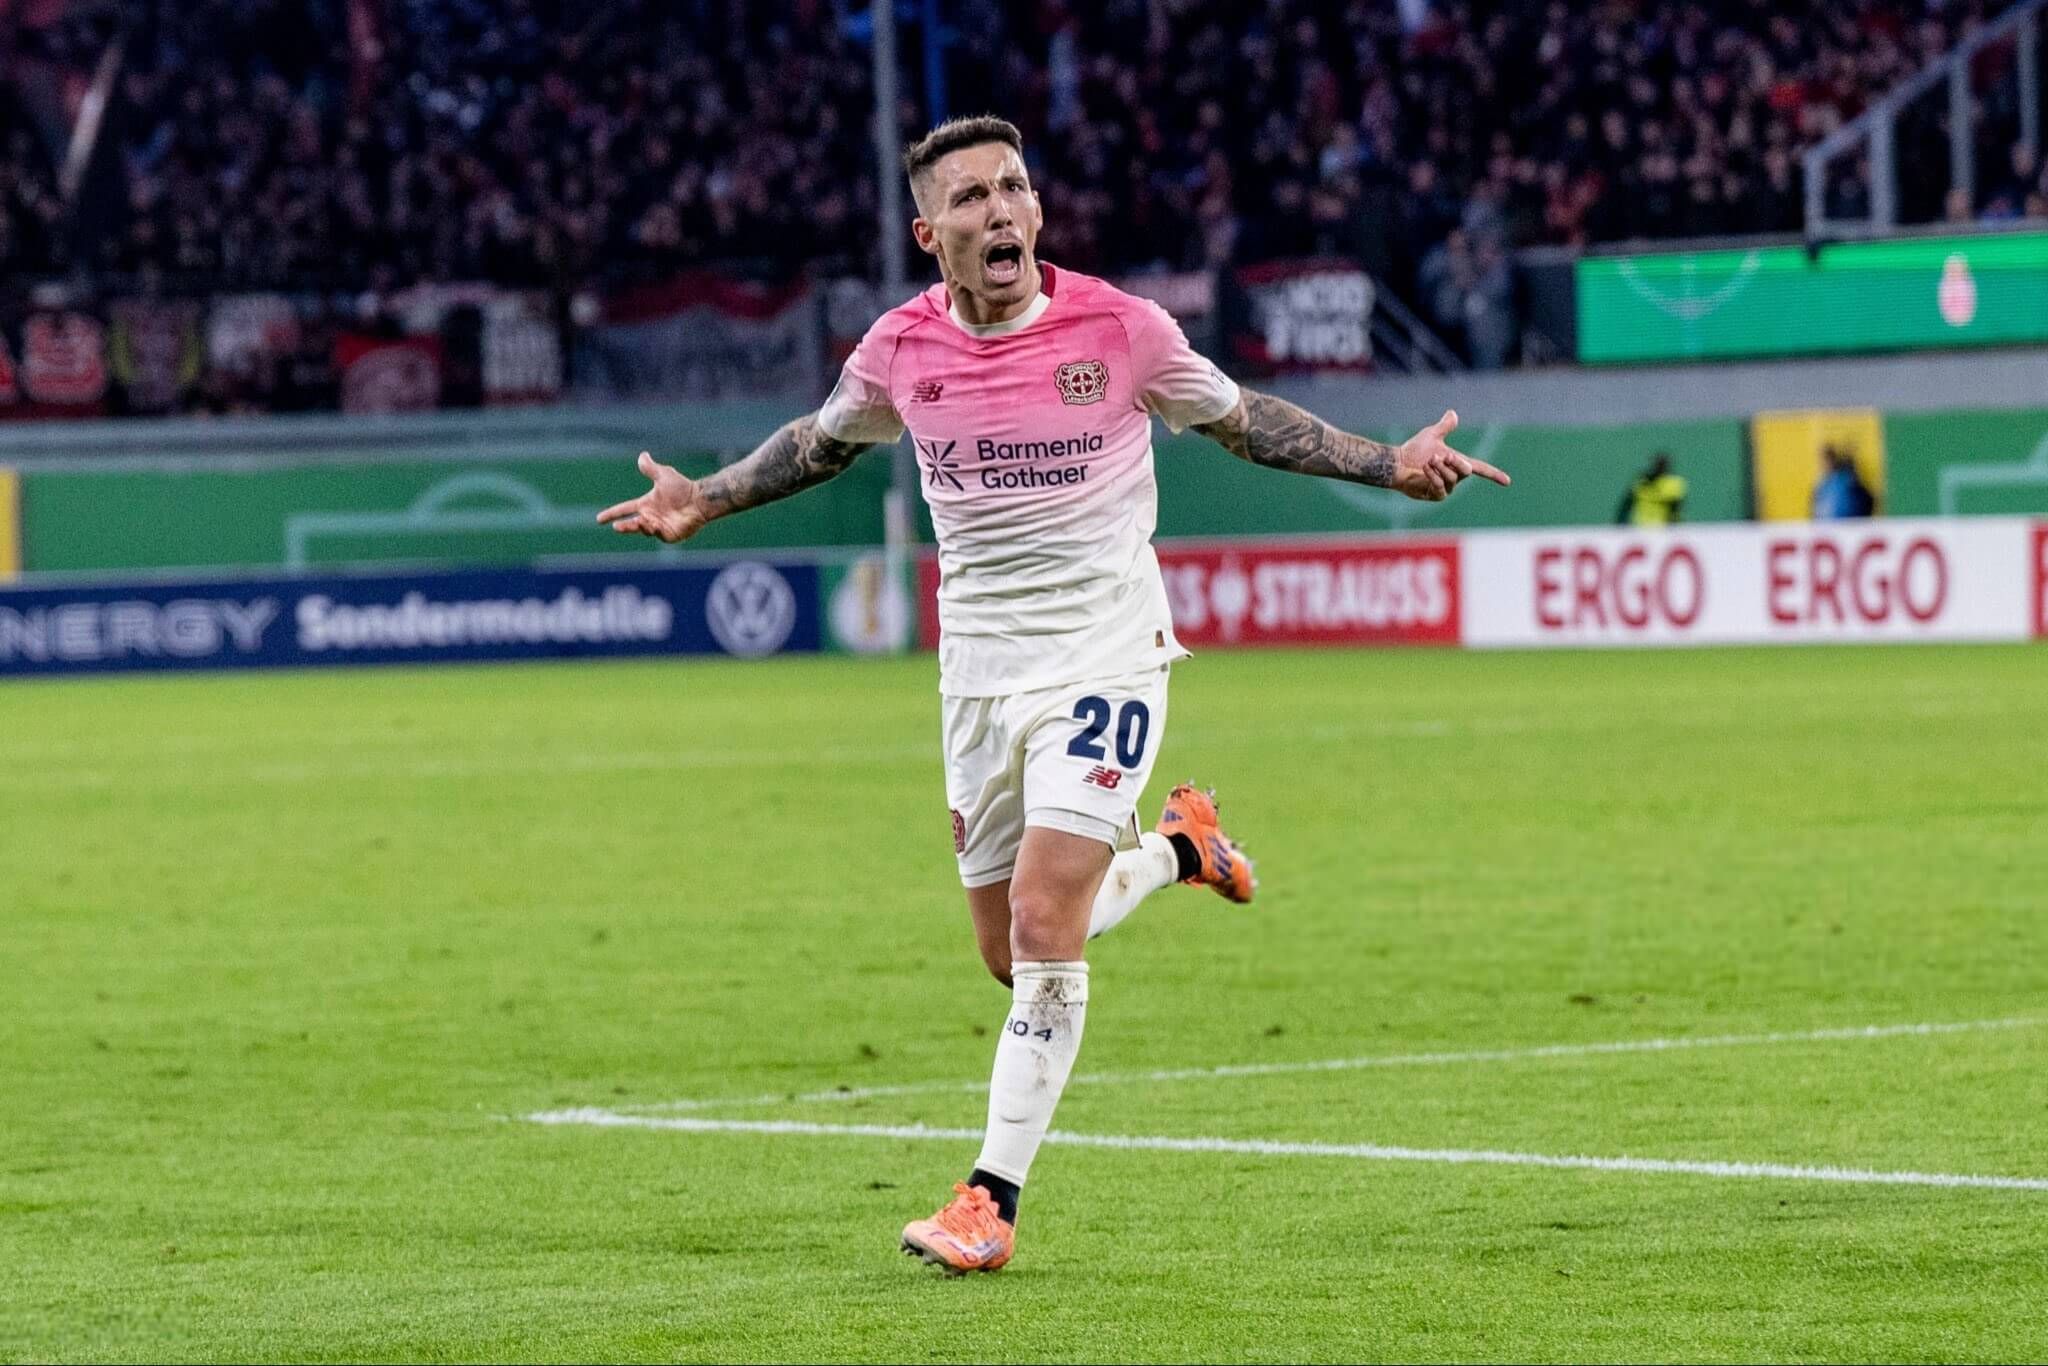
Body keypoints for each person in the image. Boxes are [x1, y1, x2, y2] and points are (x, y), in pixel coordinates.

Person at [596, 115, 1510, 1275]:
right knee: (1009, 950)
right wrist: (705, 500)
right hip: (977, 680)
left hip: (1105, 656)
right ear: (931, 234)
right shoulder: (896, 349)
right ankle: (1182, 851)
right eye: (971, 198)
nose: (1000, 212)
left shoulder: (1121, 329)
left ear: (1036, 213)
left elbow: (1245, 423)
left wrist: (1386, 461)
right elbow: (819, 445)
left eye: (1014, 189)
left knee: (1041, 921)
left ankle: (988, 1199)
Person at [1619, 452, 1686, 526]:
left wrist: (1673, 527)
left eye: (1661, 465)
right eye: (1656, 465)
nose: (1658, 467)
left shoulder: (1673, 484)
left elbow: (1675, 510)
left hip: (1663, 529)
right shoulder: (1641, 482)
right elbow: (1626, 505)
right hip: (1640, 528)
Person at [1813, 445, 1876, 519]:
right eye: (1823, 461)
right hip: (1826, 527)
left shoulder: (1847, 480)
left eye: (1828, 460)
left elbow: (1866, 501)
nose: (1825, 464)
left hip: (1849, 525)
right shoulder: (1822, 486)